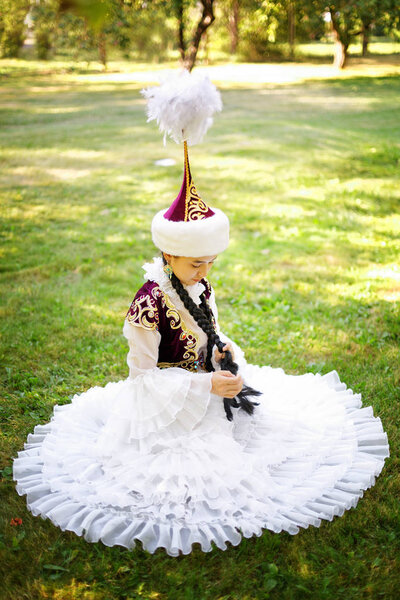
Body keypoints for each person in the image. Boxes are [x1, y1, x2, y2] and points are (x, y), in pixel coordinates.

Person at [12, 72, 389, 557]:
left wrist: (223, 351)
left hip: (204, 382)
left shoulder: (200, 283)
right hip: (166, 404)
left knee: (263, 430)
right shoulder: (148, 306)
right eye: (196, 262)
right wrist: (204, 386)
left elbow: (209, 330)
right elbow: (142, 379)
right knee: (201, 475)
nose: (205, 270)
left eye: (211, 261)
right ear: (168, 254)